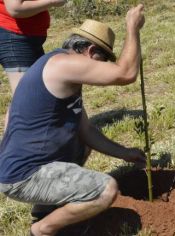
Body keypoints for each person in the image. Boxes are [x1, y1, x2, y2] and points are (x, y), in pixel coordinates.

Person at [0, 4, 146, 236]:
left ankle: (46, 209)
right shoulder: (63, 65)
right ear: (89, 51)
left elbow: (85, 130)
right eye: (103, 58)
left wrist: (125, 153)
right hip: (24, 175)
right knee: (104, 190)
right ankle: (42, 229)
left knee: (82, 143)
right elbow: (126, 73)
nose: (103, 65)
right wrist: (132, 28)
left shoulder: (63, 69)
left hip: (31, 166)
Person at [0, 0, 67, 129]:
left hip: (27, 37)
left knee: (27, 95)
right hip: (14, 36)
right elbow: (15, 8)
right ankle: (14, 145)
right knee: (24, 97)